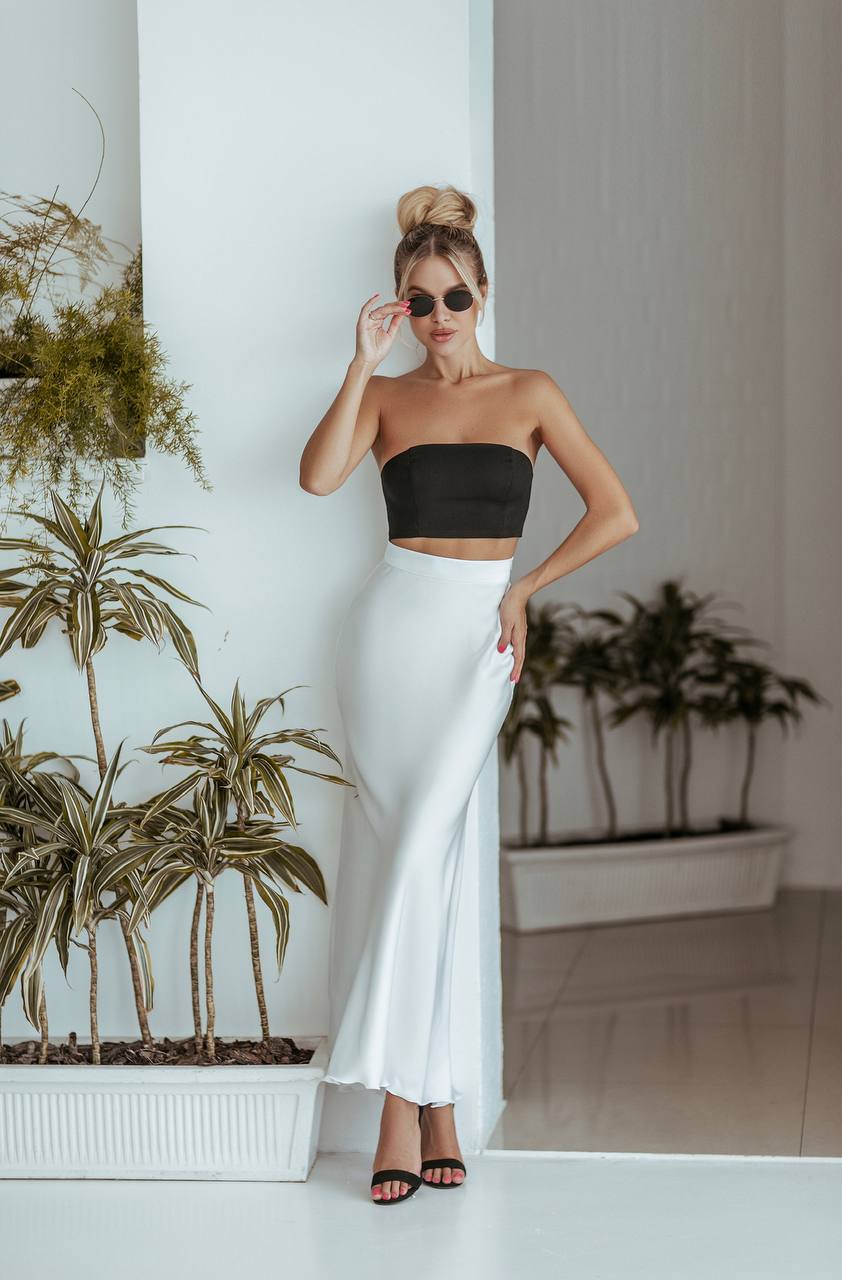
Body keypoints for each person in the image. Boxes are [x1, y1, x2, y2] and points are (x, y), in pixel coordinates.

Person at [299, 183, 639, 1205]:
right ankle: (433, 1099)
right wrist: (360, 360)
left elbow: (614, 511)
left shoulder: (530, 392)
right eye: (417, 301)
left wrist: (525, 587)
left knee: (417, 856)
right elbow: (318, 477)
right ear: (397, 304)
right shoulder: (390, 394)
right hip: (386, 631)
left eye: (453, 297)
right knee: (416, 863)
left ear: (481, 292)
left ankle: (397, 1107)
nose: (437, 318)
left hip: (475, 636)